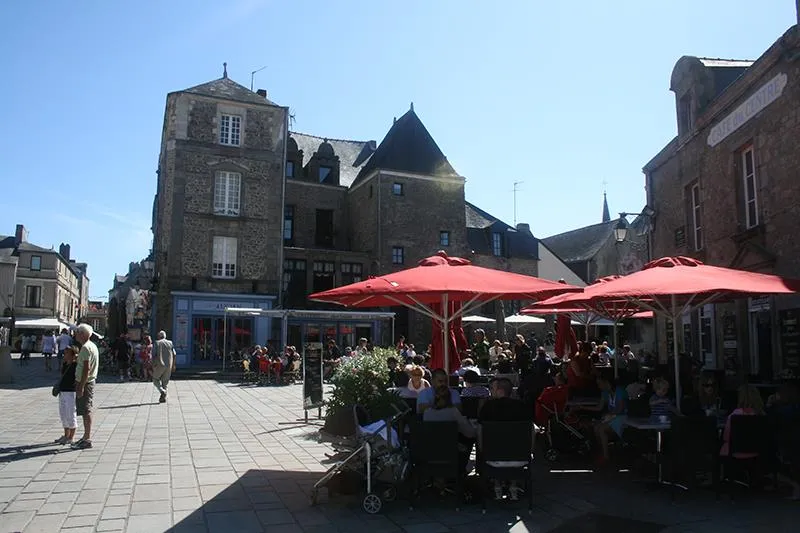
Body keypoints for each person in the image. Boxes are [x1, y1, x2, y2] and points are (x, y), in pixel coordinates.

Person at [478, 378, 530, 500]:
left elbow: (480, 432)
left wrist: (481, 450)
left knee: (495, 444)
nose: (491, 391)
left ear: (500, 390)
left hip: (492, 459)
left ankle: (497, 485)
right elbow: (530, 430)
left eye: (492, 389)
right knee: (511, 444)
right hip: (520, 458)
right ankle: (513, 485)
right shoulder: (522, 407)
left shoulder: (488, 407)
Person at [423, 375, 476, 475]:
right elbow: (470, 433)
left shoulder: (427, 412)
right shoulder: (453, 411)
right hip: (450, 451)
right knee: (469, 441)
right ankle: (461, 470)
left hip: (430, 451)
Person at [583, 374, 628, 465]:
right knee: (596, 427)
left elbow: (620, 409)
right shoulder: (605, 393)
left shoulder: (620, 391)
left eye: (600, 384)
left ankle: (606, 456)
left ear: (606, 383)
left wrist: (609, 415)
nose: (598, 386)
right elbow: (599, 407)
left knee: (601, 429)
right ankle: (603, 451)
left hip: (622, 417)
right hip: (611, 417)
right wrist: (583, 407)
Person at [72, 323, 99, 450]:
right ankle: (85, 436)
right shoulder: (92, 346)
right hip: (89, 381)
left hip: (86, 382)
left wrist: (81, 386)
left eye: (77, 332)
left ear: (82, 334)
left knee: (86, 410)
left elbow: (86, 368)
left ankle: (87, 438)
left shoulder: (85, 348)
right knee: (85, 409)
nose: (75, 334)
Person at [719, 384, 764, 459]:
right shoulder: (762, 415)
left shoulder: (735, 415)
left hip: (735, 454)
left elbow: (726, 437)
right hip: (758, 454)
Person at [55, 346, 78, 445]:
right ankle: (66, 434)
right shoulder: (64, 364)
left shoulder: (75, 365)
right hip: (62, 391)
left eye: (67, 353)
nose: (64, 355)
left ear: (73, 355)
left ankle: (71, 437)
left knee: (70, 413)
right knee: (63, 413)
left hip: (71, 391)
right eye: (64, 353)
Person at [152, 330, 176, 403]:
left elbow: (153, 355)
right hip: (169, 365)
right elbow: (174, 354)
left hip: (160, 364)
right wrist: (174, 365)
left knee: (155, 379)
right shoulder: (170, 343)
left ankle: (162, 391)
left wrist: (153, 364)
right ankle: (163, 398)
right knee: (165, 382)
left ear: (159, 336)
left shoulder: (157, 343)